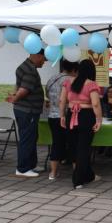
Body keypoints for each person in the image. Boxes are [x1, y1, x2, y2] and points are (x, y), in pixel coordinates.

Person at [59, 59, 102, 189]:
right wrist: (99, 120)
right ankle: (77, 180)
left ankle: (89, 175)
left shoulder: (68, 82)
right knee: (84, 148)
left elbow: (62, 100)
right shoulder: (91, 84)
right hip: (86, 116)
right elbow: (95, 104)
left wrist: (62, 116)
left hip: (71, 114)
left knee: (74, 147)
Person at [7, 50, 46, 177]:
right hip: (28, 111)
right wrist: (16, 98)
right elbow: (24, 89)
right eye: (43, 59)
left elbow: (20, 86)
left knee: (31, 137)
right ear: (38, 56)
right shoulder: (30, 70)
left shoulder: (25, 66)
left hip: (26, 110)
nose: (44, 62)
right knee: (27, 138)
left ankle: (31, 165)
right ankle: (23, 168)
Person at [45, 60, 78, 180]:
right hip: (67, 116)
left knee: (56, 143)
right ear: (74, 69)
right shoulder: (72, 80)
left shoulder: (52, 78)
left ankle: (53, 173)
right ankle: (76, 173)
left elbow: (47, 95)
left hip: (52, 116)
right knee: (73, 143)